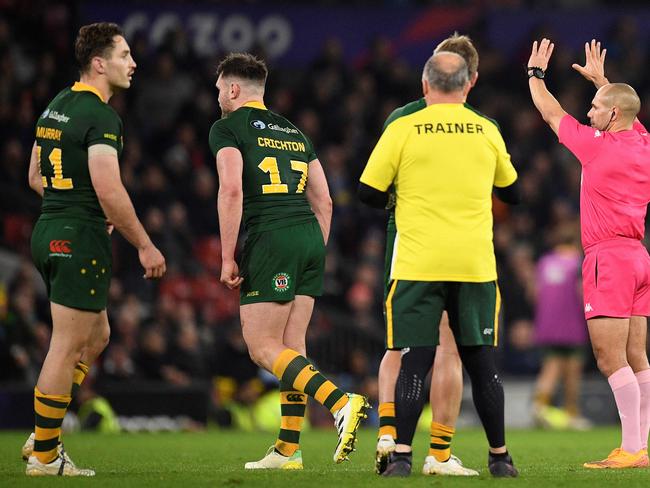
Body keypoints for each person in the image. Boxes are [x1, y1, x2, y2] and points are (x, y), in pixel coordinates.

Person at [359, 51, 519, 477]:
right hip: (472, 261)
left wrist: (403, 196)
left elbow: (368, 191)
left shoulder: (402, 123)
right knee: (475, 358)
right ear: (469, 83)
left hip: (415, 255)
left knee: (410, 353)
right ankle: (488, 458)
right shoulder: (486, 127)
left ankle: (396, 448)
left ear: (425, 82)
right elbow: (512, 191)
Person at [209, 53, 369, 469]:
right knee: (291, 349)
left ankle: (340, 401)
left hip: (271, 236)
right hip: (308, 237)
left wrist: (228, 256)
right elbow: (326, 200)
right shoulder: (294, 131)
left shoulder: (227, 127)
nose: (217, 97)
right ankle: (287, 448)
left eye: (219, 89)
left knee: (262, 347)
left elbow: (230, 191)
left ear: (232, 89)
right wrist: (313, 249)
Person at [22, 22, 166, 476]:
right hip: (76, 236)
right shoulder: (102, 116)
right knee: (65, 346)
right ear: (99, 64)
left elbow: (34, 176)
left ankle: (42, 432)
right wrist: (144, 244)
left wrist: (71, 206)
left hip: (49, 230)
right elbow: (109, 189)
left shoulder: (55, 107)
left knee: (98, 336)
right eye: (125, 55)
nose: (133, 63)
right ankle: (45, 455)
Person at [527, 38, 650, 469]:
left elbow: (550, 111)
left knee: (608, 356)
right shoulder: (643, 143)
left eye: (597, 107)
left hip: (609, 257)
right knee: (637, 356)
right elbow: (626, 110)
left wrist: (535, 75)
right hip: (639, 256)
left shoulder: (598, 145)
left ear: (613, 115)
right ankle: (639, 448)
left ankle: (632, 449)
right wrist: (603, 81)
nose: (590, 114)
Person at [532, 223, 591, 430]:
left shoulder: (545, 262)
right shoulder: (578, 262)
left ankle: (539, 406)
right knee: (572, 371)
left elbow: (535, 293)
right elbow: (581, 292)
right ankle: (571, 413)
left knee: (551, 366)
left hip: (547, 324)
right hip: (571, 324)